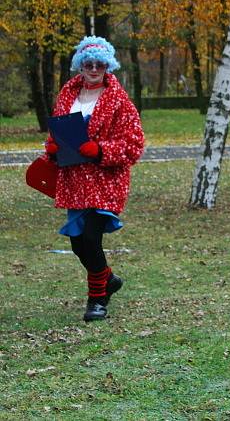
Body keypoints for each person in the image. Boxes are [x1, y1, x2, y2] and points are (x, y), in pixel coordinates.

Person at [44, 36, 144, 322]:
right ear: (80, 65)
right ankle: (108, 279)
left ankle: (97, 300)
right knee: (77, 243)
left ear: (107, 65)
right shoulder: (67, 93)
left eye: (100, 63)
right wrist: (52, 148)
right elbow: (59, 132)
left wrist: (101, 150)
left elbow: (134, 144)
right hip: (74, 180)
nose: (94, 68)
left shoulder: (119, 100)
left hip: (105, 181)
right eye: (88, 63)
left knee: (91, 237)